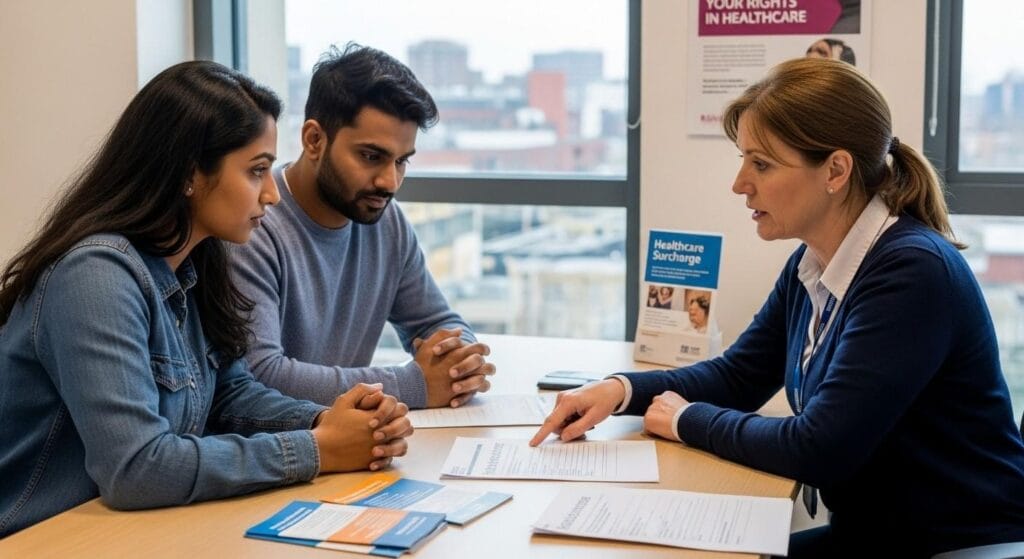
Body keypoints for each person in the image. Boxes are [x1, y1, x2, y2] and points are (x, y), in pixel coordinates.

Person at [531, 58, 1024, 557]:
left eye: (761, 164)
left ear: (835, 170)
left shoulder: (911, 273)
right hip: (881, 535)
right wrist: (618, 391)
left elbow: (819, 448)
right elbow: (740, 376)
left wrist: (686, 419)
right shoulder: (814, 262)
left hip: (956, 544)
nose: (740, 183)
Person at [0, 61, 412, 538]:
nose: (272, 194)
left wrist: (335, 421)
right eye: (257, 170)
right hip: (35, 539)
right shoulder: (96, 277)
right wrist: (318, 448)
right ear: (189, 174)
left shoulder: (192, 264)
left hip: (120, 535)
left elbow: (231, 395)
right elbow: (136, 468)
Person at [228, 43, 495, 410]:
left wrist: (460, 361)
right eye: (371, 157)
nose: (390, 182)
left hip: (354, 444)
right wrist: (414, 384)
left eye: (402, 161)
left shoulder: (386, 220)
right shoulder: (252, 223)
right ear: (314, 140)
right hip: (283, 452)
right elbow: (261, 376)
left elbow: (435, 320)